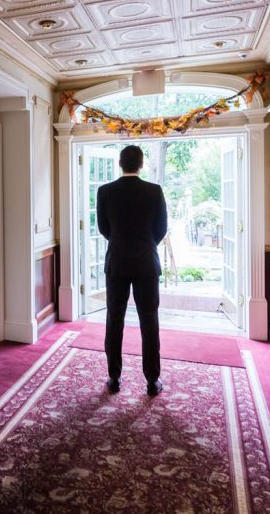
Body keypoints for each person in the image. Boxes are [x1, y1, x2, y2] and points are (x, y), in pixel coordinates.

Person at [96, 145, 167, 396]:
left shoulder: (105, 191)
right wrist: (146, 245)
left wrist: (121, 244)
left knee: (114, 320)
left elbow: (104, 228)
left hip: (117, 264)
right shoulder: (154, 191)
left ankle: (114, 378)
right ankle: (152, 381)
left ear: (119, 163)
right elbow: (161, 228)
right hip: (147, 263)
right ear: (141, 164)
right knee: (149, 321)